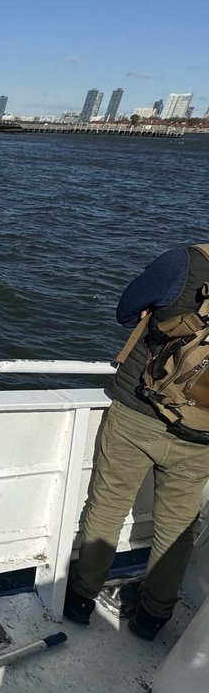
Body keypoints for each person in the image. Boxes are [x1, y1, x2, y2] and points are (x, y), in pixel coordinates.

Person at [65, 243, 209, 639]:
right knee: (178, 526)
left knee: (109, 504)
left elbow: (125, 310)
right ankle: (153, 617)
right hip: (203, 434)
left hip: (140, 410)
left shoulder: (187, 262)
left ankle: (80, 597)